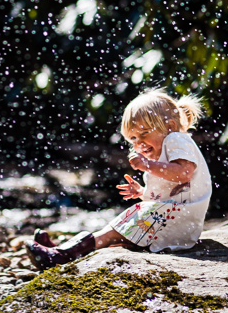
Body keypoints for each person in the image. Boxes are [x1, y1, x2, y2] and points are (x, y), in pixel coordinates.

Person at [28, 89, 210, 267]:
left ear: (169, 126)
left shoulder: (176, 139)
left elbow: (184, 173)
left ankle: (63, 255)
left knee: (114, 230)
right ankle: (65, 249)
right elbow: (171, 192)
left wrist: (148, 165)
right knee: (116, 229)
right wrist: (143, 192)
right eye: (133, 139)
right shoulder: (165, 151)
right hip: (175, 219)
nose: (139, 144)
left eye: (144, 134)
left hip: (180, 222)